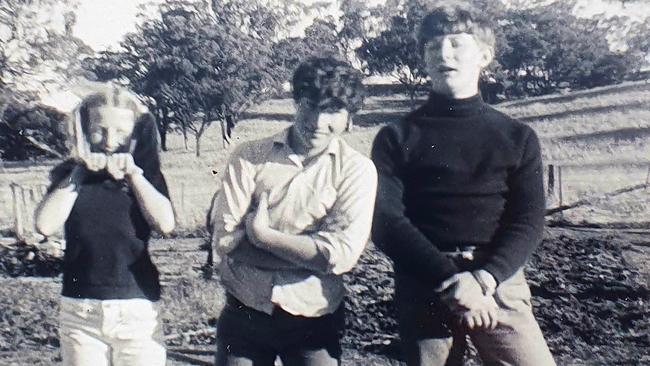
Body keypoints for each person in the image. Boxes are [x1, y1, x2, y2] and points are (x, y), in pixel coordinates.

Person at [371, 5, 556, 366]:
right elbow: (387, 222)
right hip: (426, 283)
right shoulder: (395, 136)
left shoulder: (517, 137)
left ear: (484, 56)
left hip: (499, 282)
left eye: (457, 44)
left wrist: (484, 280)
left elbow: (529, 220)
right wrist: (452, 282)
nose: (443, 54)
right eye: (432, 46)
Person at [208, 56, 377, 366]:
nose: (317, 121)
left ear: (348, 117)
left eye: (332, 111)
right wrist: (309, 255)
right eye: (310, 105)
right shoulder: (249, 156)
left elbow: (340, 255)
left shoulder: (356, 170)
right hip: (244, 312)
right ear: (296, 101)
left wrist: (262, 236)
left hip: (314, 319)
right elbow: (226, 242)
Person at [34, 82, 175, 366]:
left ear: (135, 134)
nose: (110, 141)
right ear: (86, 130)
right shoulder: (69, 174)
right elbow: (44, 226)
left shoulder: (147, 175)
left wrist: (135, 176)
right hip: (80, 310)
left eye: (121, 132)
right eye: (100, 130)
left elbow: (166, 224)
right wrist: (78, 174)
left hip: (136, 306)